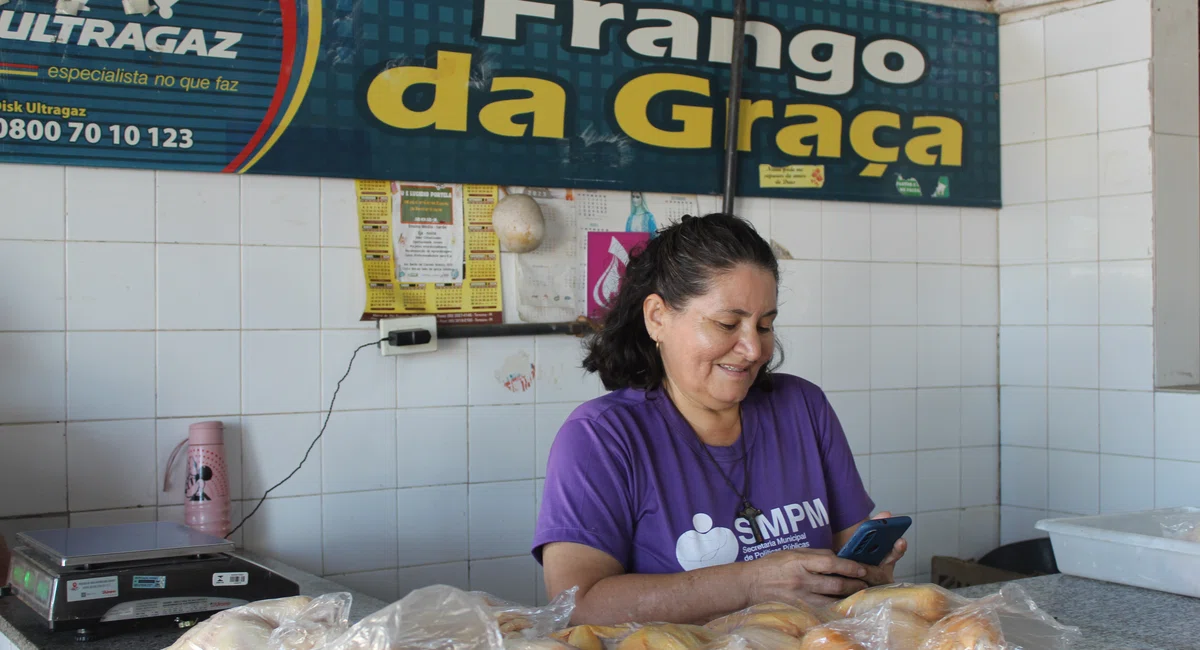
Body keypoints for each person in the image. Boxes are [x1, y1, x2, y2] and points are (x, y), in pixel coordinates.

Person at [533, 213, 907, 626]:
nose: (752, 349)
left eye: (765, 325)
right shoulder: (601, 439)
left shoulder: (803, 407)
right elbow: (577, 607)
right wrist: (750, 583)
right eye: (727, 324)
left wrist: (867, 575)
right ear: (657, 317)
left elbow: (843, 559)